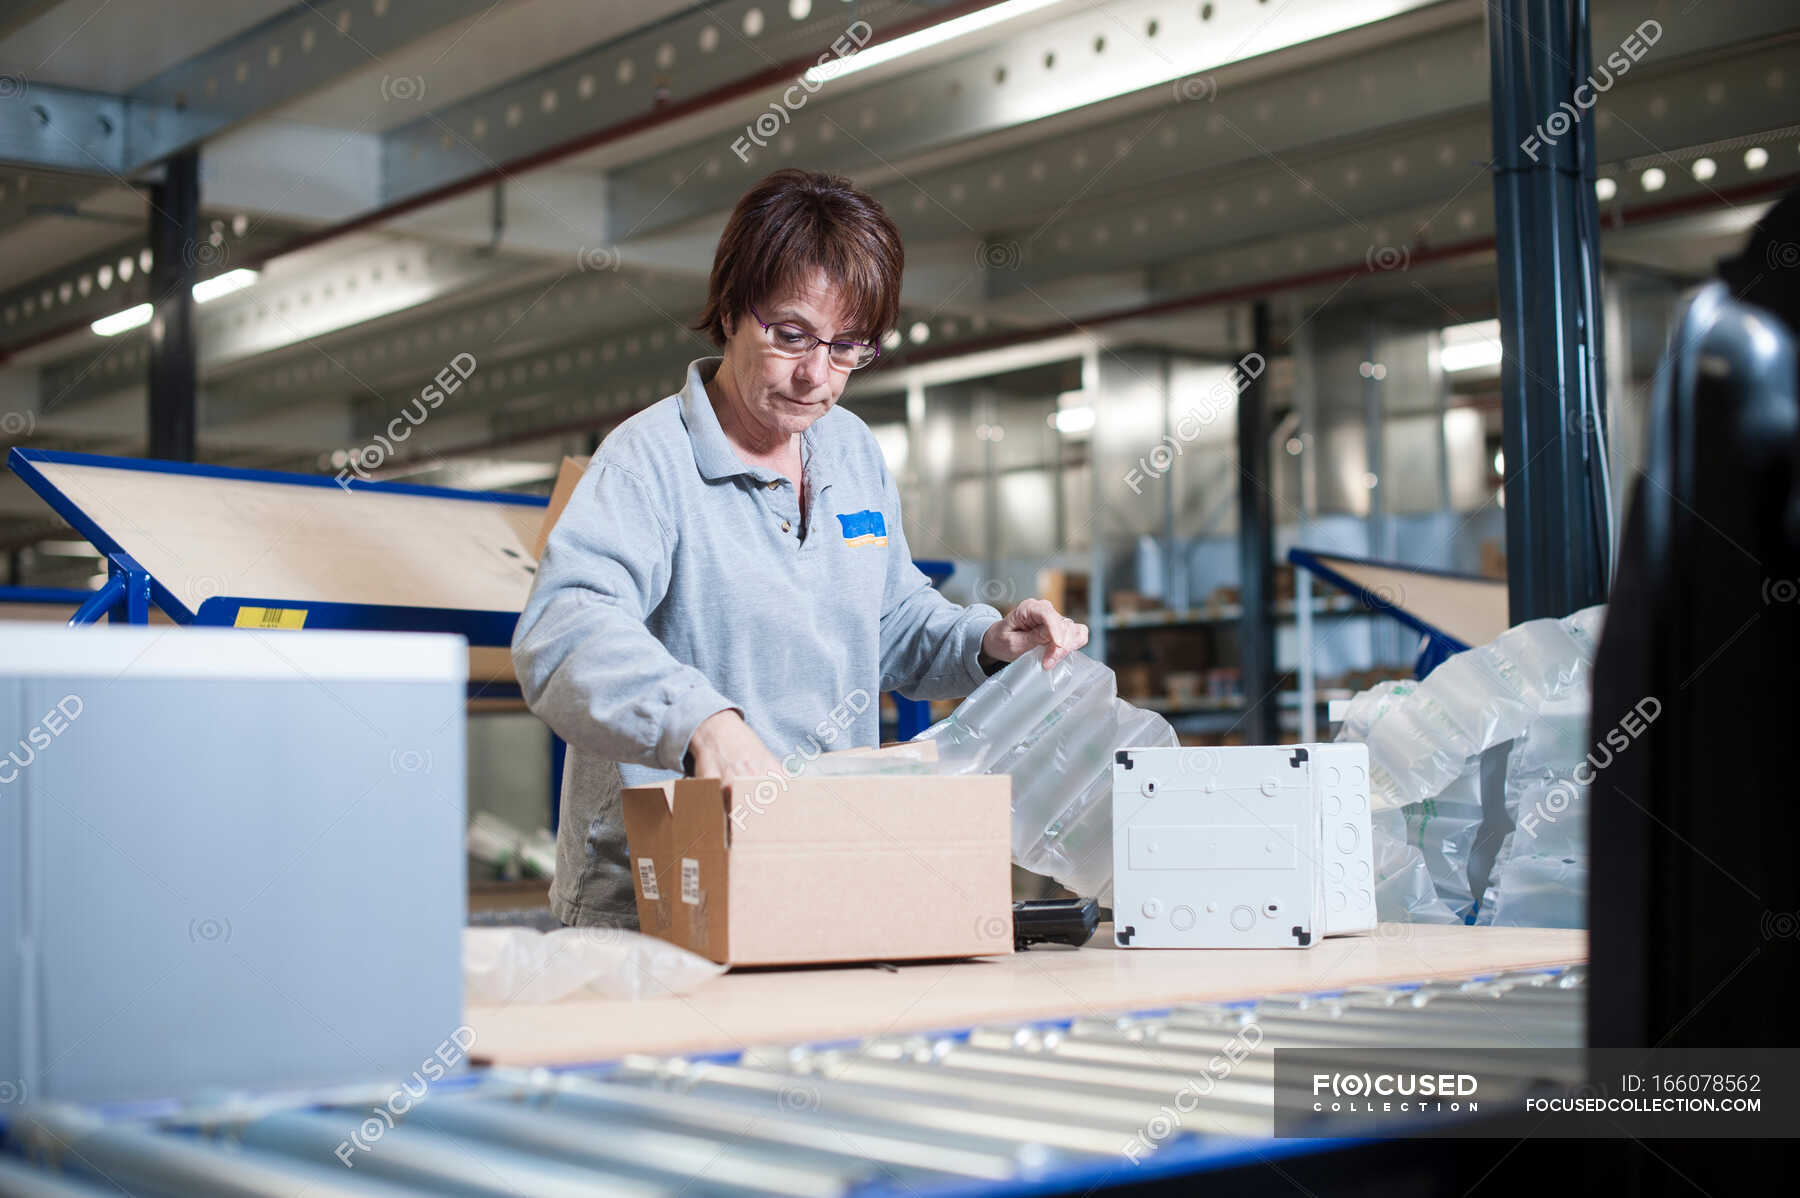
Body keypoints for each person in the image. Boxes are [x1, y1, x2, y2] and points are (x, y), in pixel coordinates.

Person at [512, 168, 1089, 929]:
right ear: (729, 310)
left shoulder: (849, 451)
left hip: (820, 865)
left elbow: (890, 621)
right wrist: (703, 723)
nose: (817, 376)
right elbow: (564, 632)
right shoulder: (648, 461)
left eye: (849, 348)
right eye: (790, 336)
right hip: (661, 896)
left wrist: (984, 641)